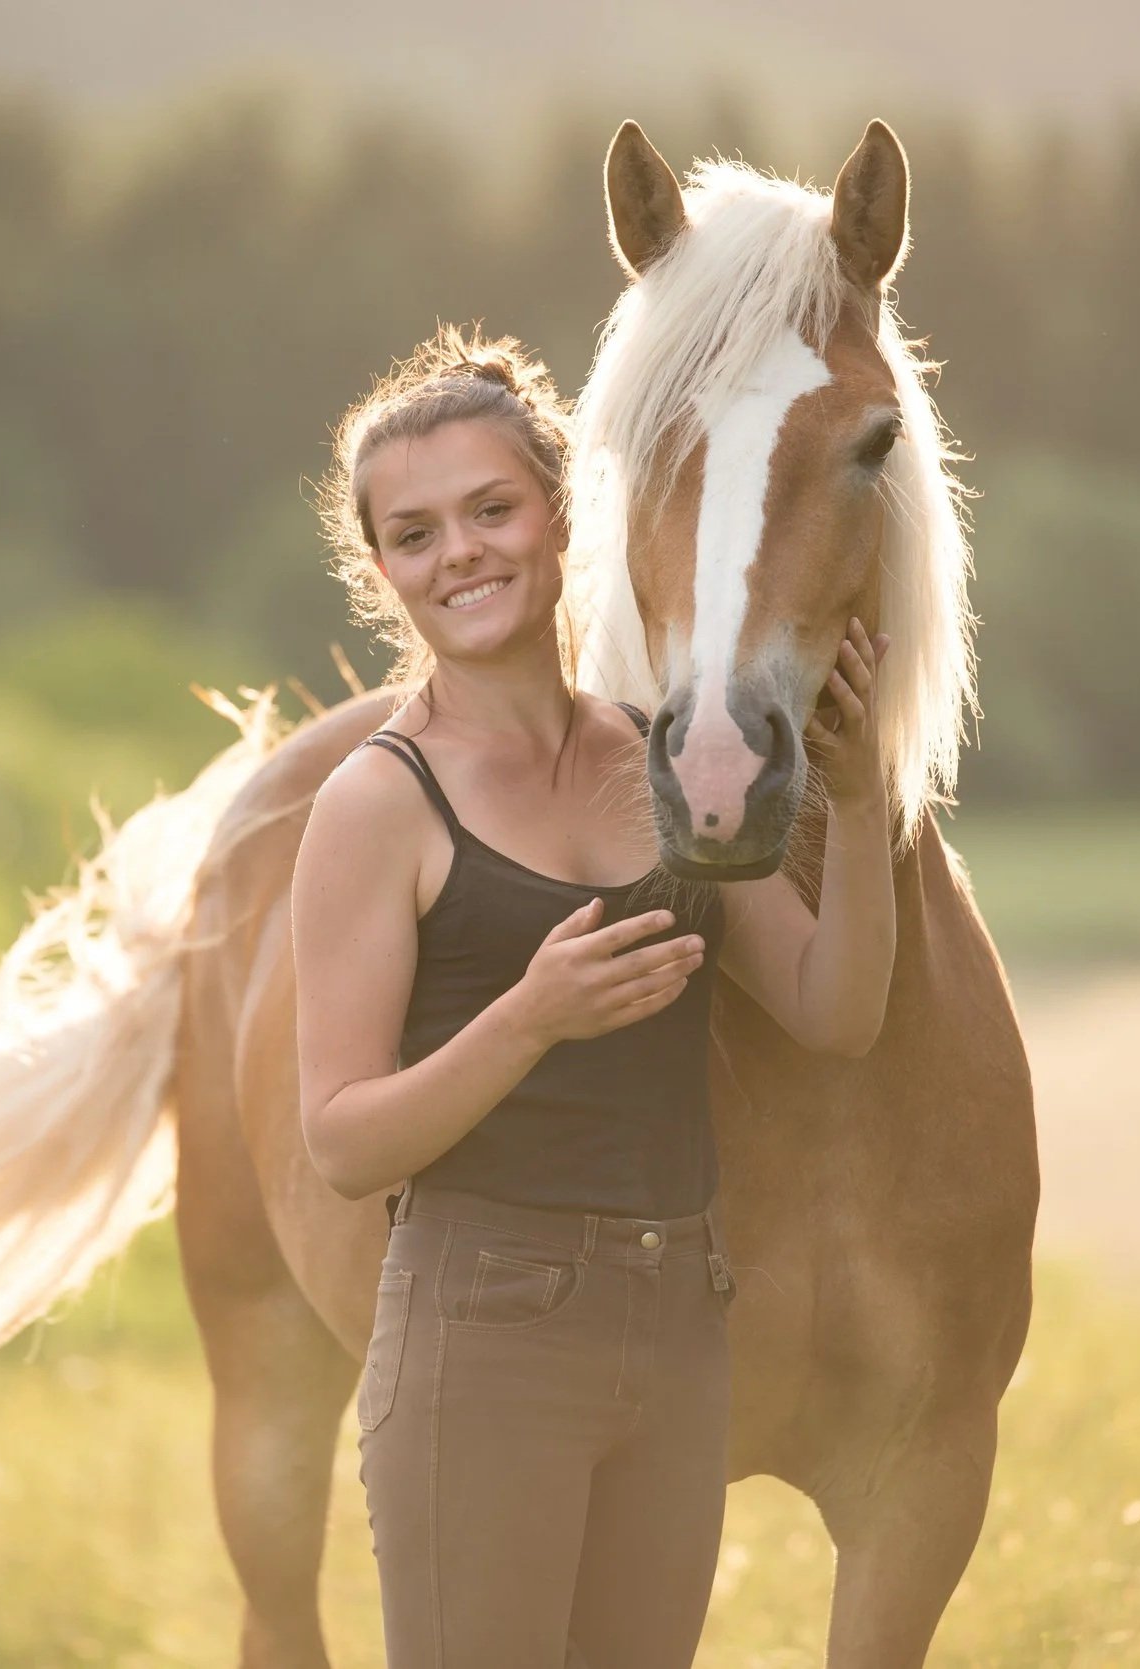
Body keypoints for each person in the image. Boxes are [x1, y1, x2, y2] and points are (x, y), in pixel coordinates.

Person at [291, 324, 898, 1668]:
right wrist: (529, 1014)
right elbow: (339, 1139)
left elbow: (830, 1007)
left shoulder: (659, 765)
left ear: (565, 517)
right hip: (483, 1338)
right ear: (381, 568)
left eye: (491, 509)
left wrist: (852, 810)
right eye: (415, 533)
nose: (460, 553)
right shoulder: (377, 805)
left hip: (680, 1330)